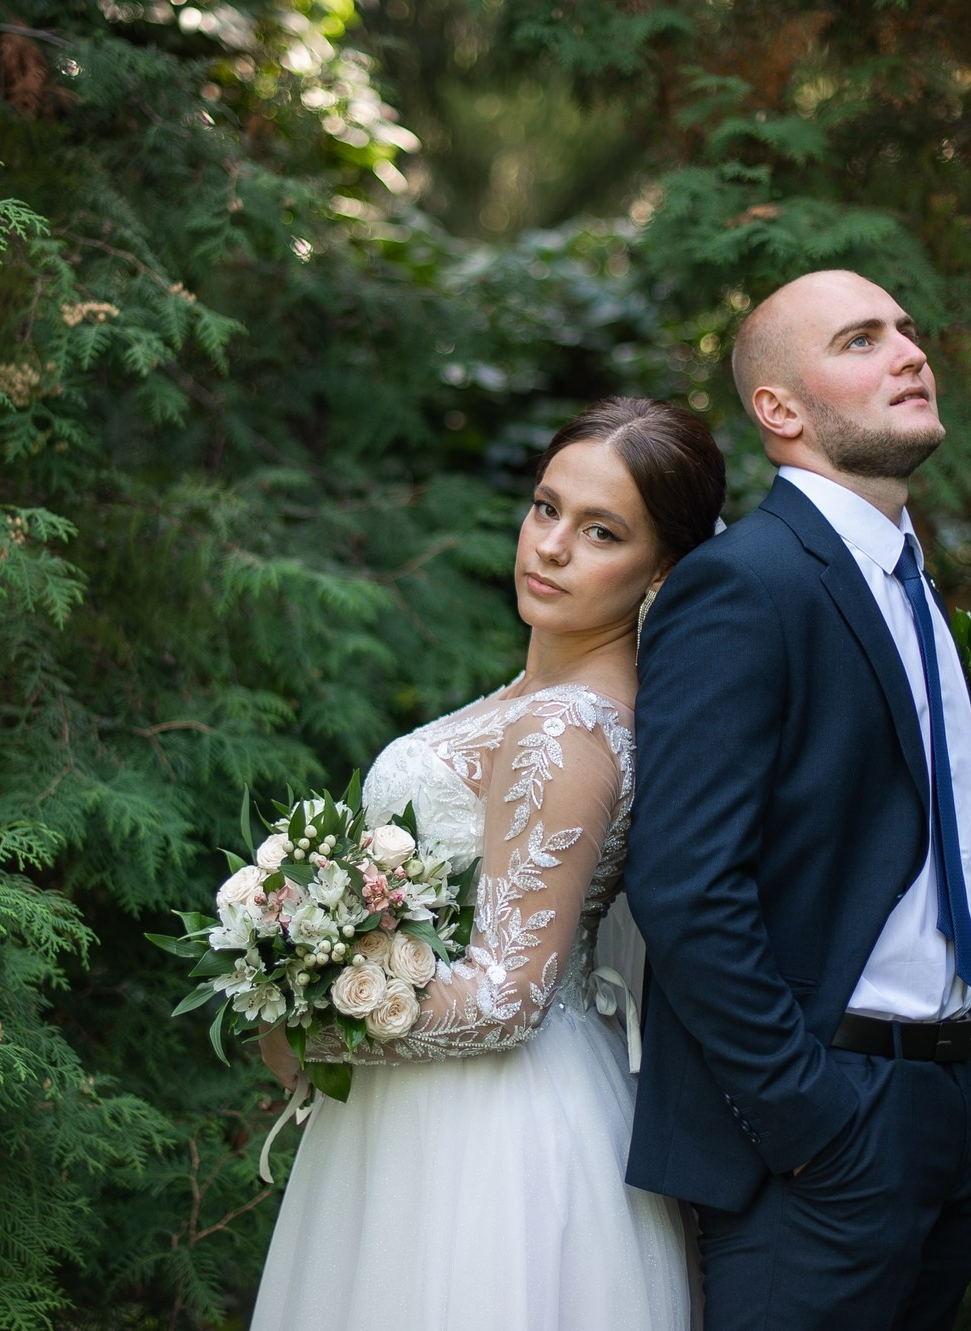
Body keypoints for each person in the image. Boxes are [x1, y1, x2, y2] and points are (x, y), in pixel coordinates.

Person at [249, 397, 726, 1331]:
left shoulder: (567, 726)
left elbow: (509, 996)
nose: (551, 546)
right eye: (547, 507)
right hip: (429, 1108)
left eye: (601, 531)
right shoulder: (538, 694)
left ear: (663, 568)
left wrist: (309, 1024)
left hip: (490, 1135)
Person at [625, 269, 971, 1331]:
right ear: (779, 410)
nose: (910, 352)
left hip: (953, 1099)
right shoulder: (743, 583)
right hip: (825, 1132)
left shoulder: (911, 582)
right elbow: (685, 884)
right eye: (860, 339)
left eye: (907, 329)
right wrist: (806, 1115)